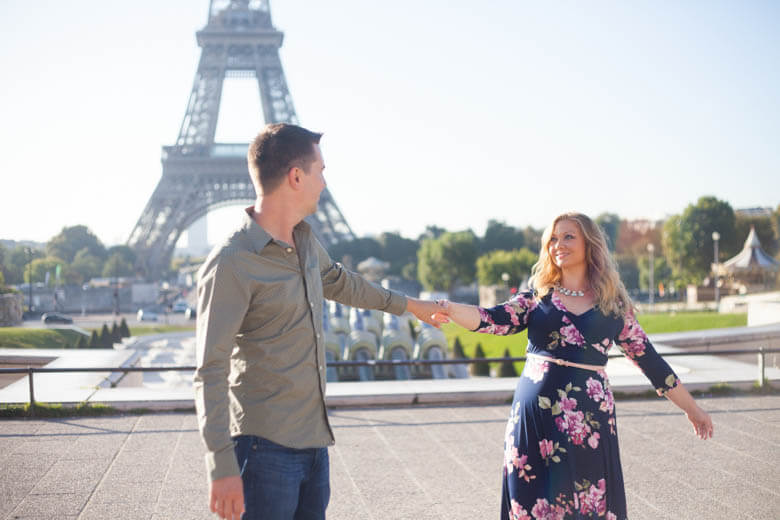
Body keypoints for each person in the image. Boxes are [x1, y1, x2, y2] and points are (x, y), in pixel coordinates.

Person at [193, 123, 441, 520]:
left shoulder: (304, 241)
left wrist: (411, 305)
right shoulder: (232, 262)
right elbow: (210, 368)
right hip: (262, 450)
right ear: (296, 176)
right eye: (320, 170)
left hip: (314, 445)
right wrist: (220, 465)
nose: (324, 182)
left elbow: (342, 283)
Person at [432, 212, 713, 520]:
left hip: (588, 423)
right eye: (553, 238)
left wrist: (692, 409)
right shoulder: (537, 299)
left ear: (589, 244)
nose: (558, 245)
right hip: (534, 419)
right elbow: (492, 319)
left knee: (587, 504)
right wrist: (450, 309)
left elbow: (650, 360)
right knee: (532, 505)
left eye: (568, 237)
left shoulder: (613, 305)